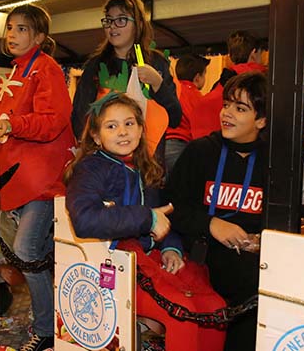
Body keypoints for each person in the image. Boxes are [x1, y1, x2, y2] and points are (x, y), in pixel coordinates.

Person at [65, 92, 227, 350]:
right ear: (96, 136)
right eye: (111, 126)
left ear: (141, 129)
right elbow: (84, 219)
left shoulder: (145, 168)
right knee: (181, 311)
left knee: (213, 308)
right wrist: (147, 218)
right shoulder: (90, 169)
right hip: (113, 266)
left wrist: (171, 248)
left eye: (129, 123)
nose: (122, 132)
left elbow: (162, 215)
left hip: (148, 259)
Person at [0, 4, 75, 351]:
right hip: (20, 177)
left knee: (26, 250)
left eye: (22, 28)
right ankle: (56, 317)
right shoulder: (18, 69)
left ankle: (46, 328)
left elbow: (53, 120)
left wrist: (9, 124)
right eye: (10, 27)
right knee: (36, 252)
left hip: (42, 179)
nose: (12, 34)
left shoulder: (45, 68)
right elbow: (10, 124)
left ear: (39, 37)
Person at [167, 72, 268, 351]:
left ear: (261, 120)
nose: (227, 113)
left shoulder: (275, 160)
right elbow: (172, 208)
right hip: (203, 258)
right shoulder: (200, 152)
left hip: (254, 264)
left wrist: (263, 240)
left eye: (240, 108)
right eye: (226, 105)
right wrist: (211, 224)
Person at [70, 0, 181, 160]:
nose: (113, 27)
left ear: (139, 24)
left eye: (121, 20)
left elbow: (175, 118)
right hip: (105, 161)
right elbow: (79, 116)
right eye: (109, 20)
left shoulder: (156, 63)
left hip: (147, 162)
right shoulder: (96, 66)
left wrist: (158, 84)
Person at [190, 30, 266, 139]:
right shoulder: (263, 83)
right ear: (254, 53)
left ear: (230, 55)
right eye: (261, 54)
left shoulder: (221, 83)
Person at [164, 53, 210, 174]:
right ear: (197, 77)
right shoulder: (196, 97)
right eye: (205, 74)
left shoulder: (170, 90)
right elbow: (198, 127)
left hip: (161, 144)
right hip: (180, 146)